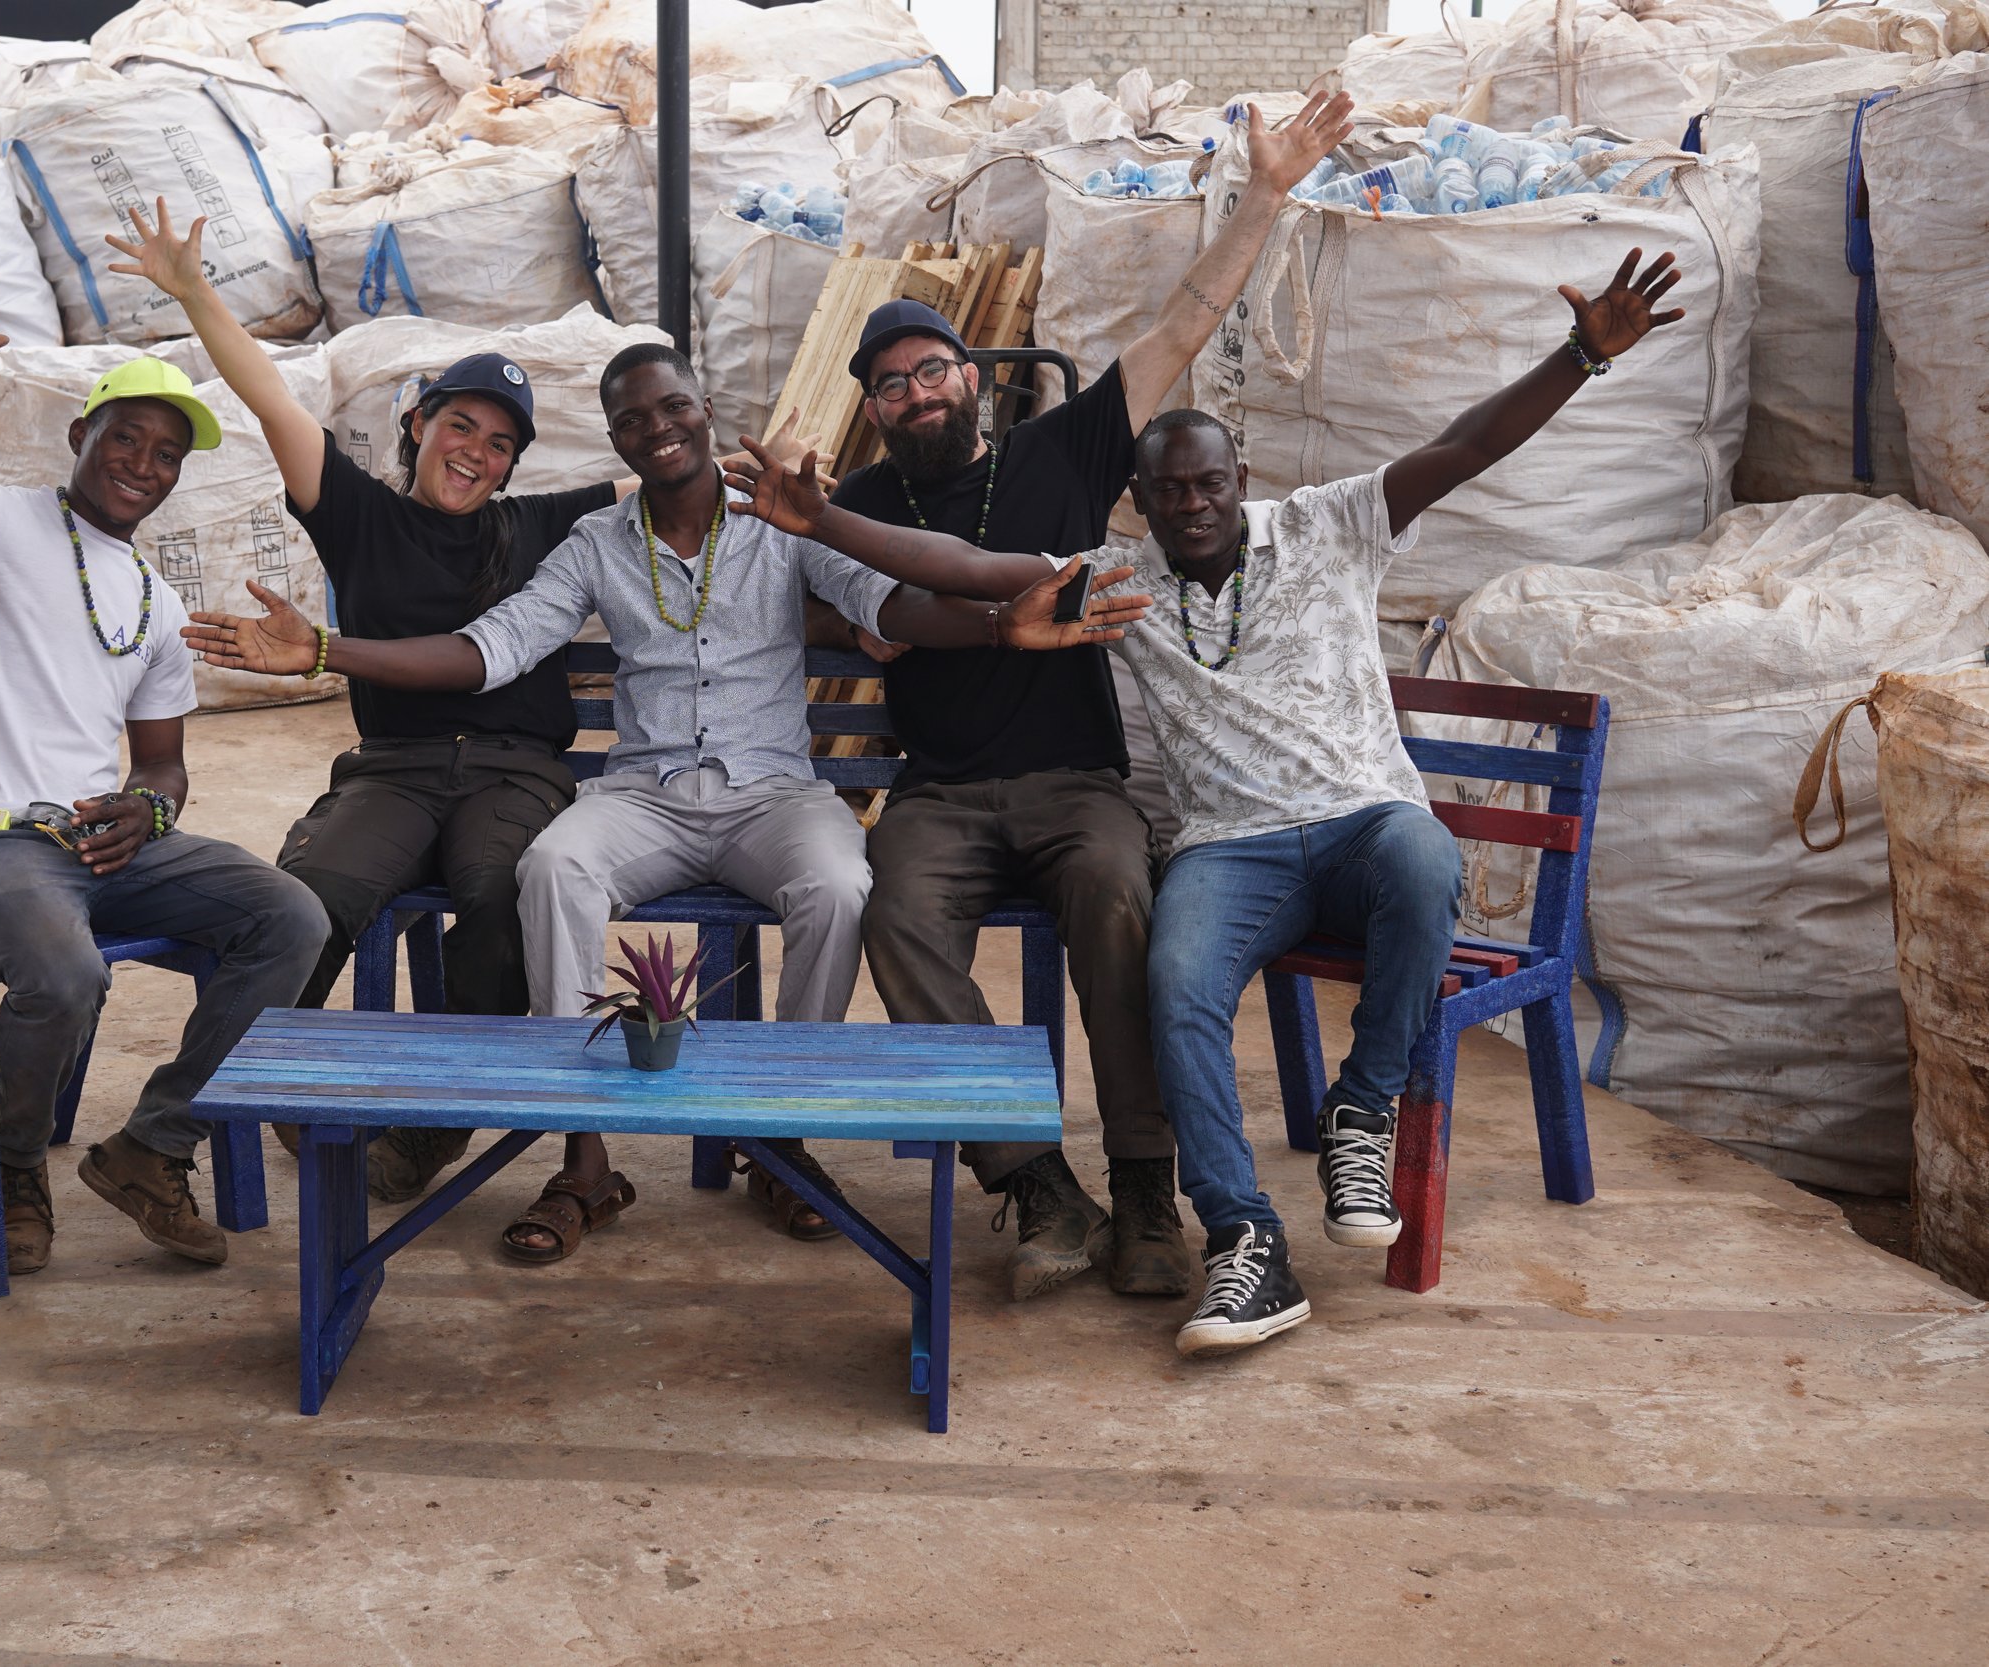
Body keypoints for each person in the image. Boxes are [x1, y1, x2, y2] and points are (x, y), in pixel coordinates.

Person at [724, 248, 1688, 1355]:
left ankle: (1356, 1112)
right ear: (1135, 502)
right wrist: (823, 526)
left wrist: (1577, 355)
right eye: (1167, 490)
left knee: (1422, 860)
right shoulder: (1117, 581)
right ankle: (1235, 1233)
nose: (1190, 505)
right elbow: (960, 566)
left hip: (1360, 819)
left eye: (1209, 483)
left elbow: (1465, 447)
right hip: (1229, 847)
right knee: (1177, 975)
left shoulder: (1326, 524)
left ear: (1243, 478)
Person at [182, 342, 1150, 1262]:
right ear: (617, 439)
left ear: (704, 413)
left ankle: (781, 1138)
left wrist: (996, 622)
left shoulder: (782, 520)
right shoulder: (596, 542)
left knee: (840, 885)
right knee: (553, 864)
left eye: (674, 406)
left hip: (774, 791)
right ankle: (584, 1158)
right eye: (633, 417)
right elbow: (493, 649)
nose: (658, 426)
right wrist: (322, 649)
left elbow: (890, 604)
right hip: (644, 793)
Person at [102, 201, 820, 1208]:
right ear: (417, 426)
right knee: (298, 908)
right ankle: (165, 1142)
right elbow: (270, 401)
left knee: (504, 899)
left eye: (498, 442)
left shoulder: (543, 526)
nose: (476, 451)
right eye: (459, 425)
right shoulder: (358, 516)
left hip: (511, 776)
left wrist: (764, 470)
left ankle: (426, 1135)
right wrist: (195, 296)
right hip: (390, 775)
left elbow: (670, 470)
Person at [822, 91, 1355, 1304]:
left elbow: (1185, 322)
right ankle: (1032, 1181)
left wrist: (1264, 193)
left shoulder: (1060, 448)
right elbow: (811, 580)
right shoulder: (856, 500)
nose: (919, 393)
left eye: (933, 368)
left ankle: (1143, 1188)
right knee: (891, 911)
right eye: (892, 383)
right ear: (872, 408)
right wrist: (843, 613)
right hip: (940, 793)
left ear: (969, 375)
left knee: (1120, 894)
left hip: (1075, 785)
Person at [0, 262, 333, 1277]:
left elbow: (164, 766)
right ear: (81, 437)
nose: (142, 460)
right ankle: (10, 1164)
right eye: (124, 434)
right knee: (69, 971)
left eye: (165, 452)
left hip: (101, 845)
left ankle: (152, 1148)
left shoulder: (152, 601)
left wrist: (146, 811)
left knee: (292, 915)